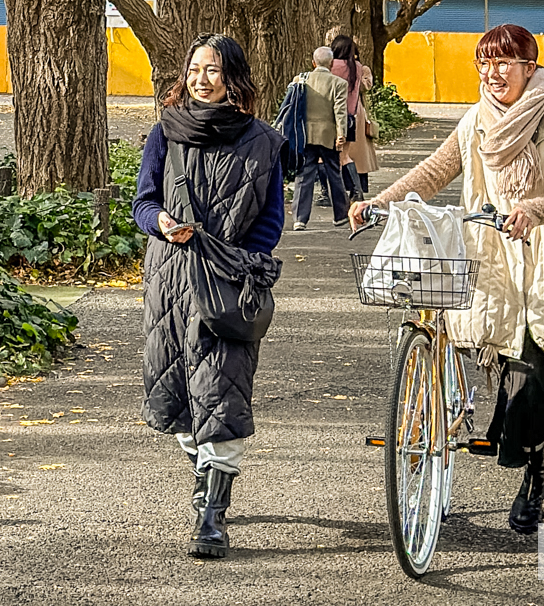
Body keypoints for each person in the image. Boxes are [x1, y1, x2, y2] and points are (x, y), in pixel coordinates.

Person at [349, 23, 544, 533]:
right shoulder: (478, 121)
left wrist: (537, 208)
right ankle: (532, 472)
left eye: (504, 63)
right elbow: (435, 171)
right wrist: (380, 202)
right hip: (506, 270)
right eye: (485, 63)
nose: (493, 73)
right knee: (522, 382)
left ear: (530, 66)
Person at [134, 33, 284, 560]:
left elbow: (271, 219)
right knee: (177, 393)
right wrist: (160, 223)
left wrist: (242, 260)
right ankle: (204, 477)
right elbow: (143, 203)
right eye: (195, 69)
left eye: (213, 70)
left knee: (223, 390)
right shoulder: (164, 133)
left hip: (229, 284)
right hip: (171, 280)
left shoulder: (264, 142)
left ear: (232, 78)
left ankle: (212, 516)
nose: (201, 79)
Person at [291, 44, 348, 230]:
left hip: (305, 135)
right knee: (334, 174)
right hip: (328, 136)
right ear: (331, 64)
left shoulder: (301, 80)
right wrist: (341, 135)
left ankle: (299, 218)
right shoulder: (339, 84)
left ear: (313, 62)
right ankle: (340, 215)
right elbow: (340, 111)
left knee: (304, 175)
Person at [331, 33, 378, 200]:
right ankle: (357, 189)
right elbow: (366, 87)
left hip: (331, 113)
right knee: (349, 155)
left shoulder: (330, 66)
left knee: (329, 155)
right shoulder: (357, 67)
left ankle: (328, 191)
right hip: (353, 113)